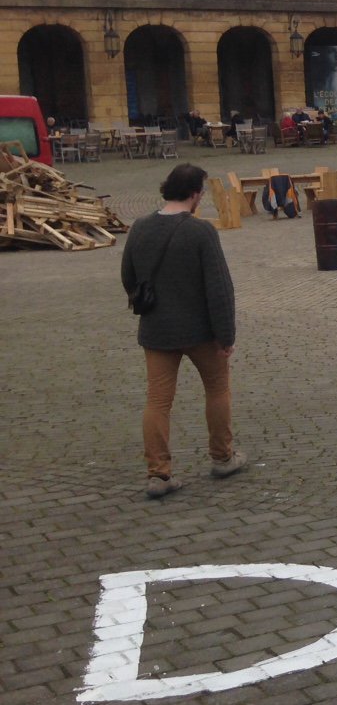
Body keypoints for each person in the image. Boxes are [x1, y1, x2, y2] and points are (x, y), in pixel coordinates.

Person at [120, 163, 242, 498]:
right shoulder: (201, 232)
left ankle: (158, 474)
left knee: (158, 401)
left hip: (157, 329)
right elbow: (219, 288)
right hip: (201, 330)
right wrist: (226, 335)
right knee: (217, 391)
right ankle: (222, 457)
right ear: (194, 194)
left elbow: (129, 278)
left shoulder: (140, 227)